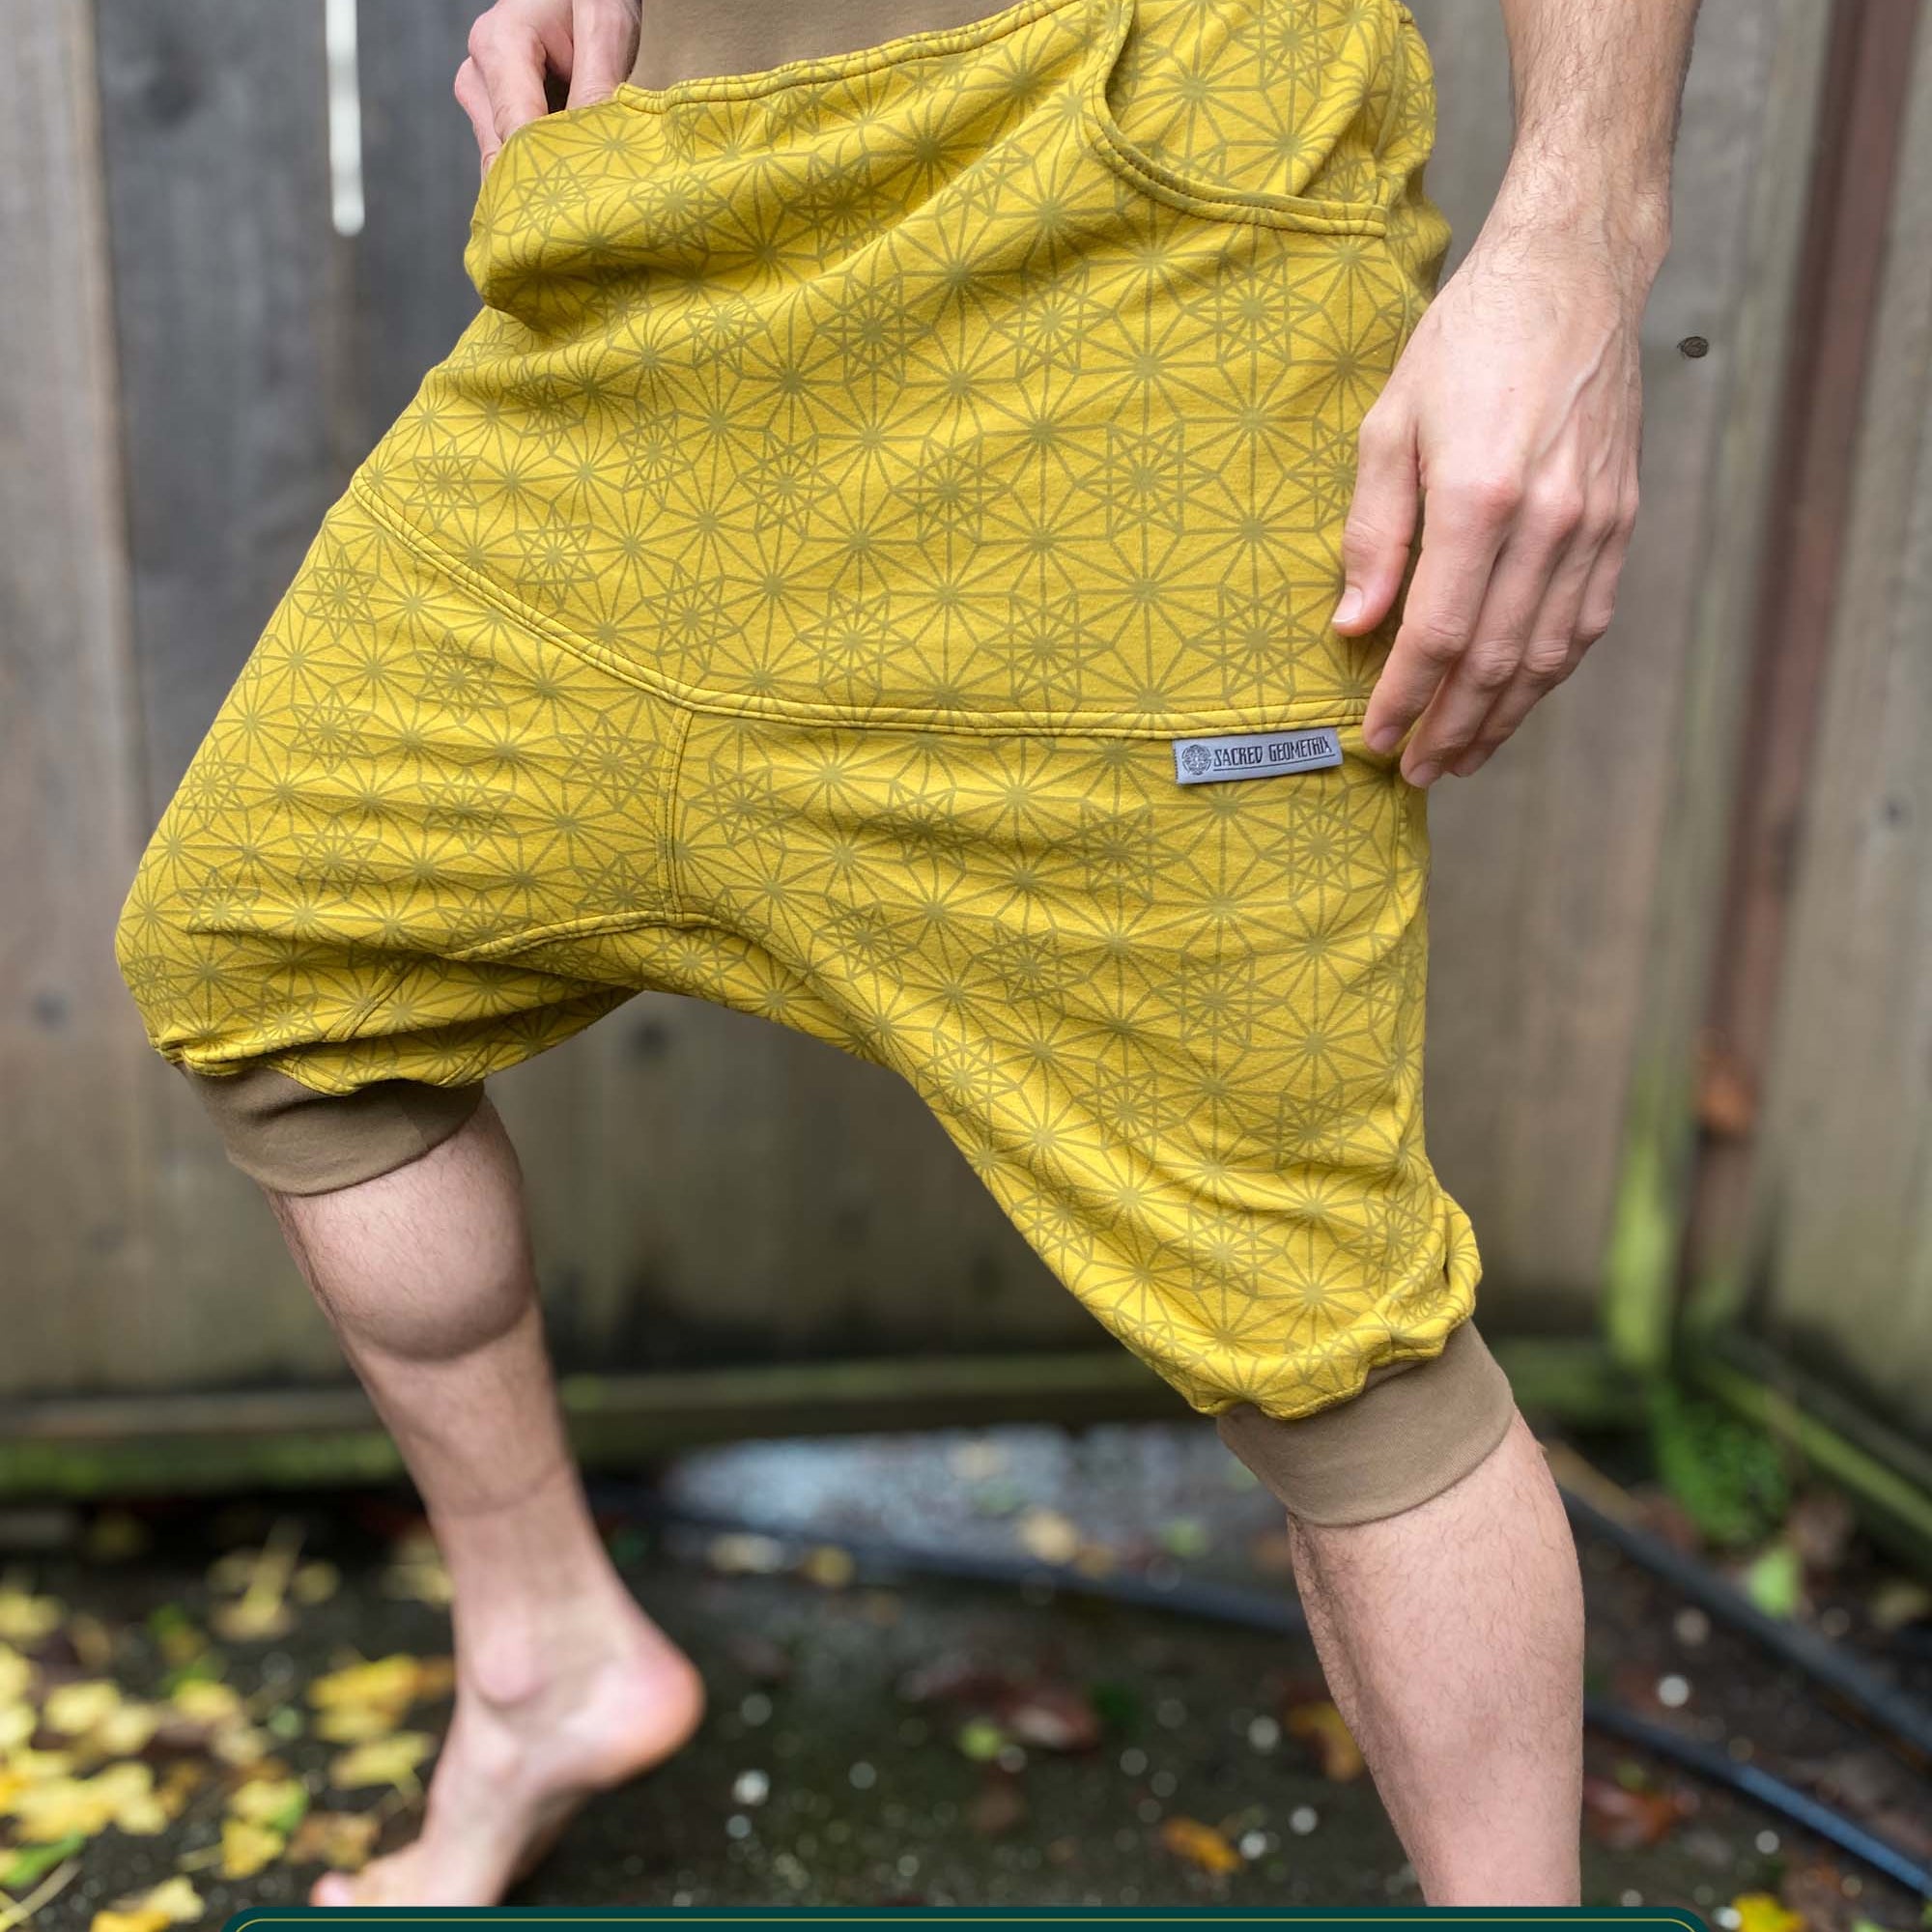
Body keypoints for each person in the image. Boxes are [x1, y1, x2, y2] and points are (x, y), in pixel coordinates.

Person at [114, 0, 1697, 1905]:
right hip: (665, 232)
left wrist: (1573, 238)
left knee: (1316, 1315)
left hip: (1127, 247)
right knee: (265, 945)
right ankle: (547, 1658)